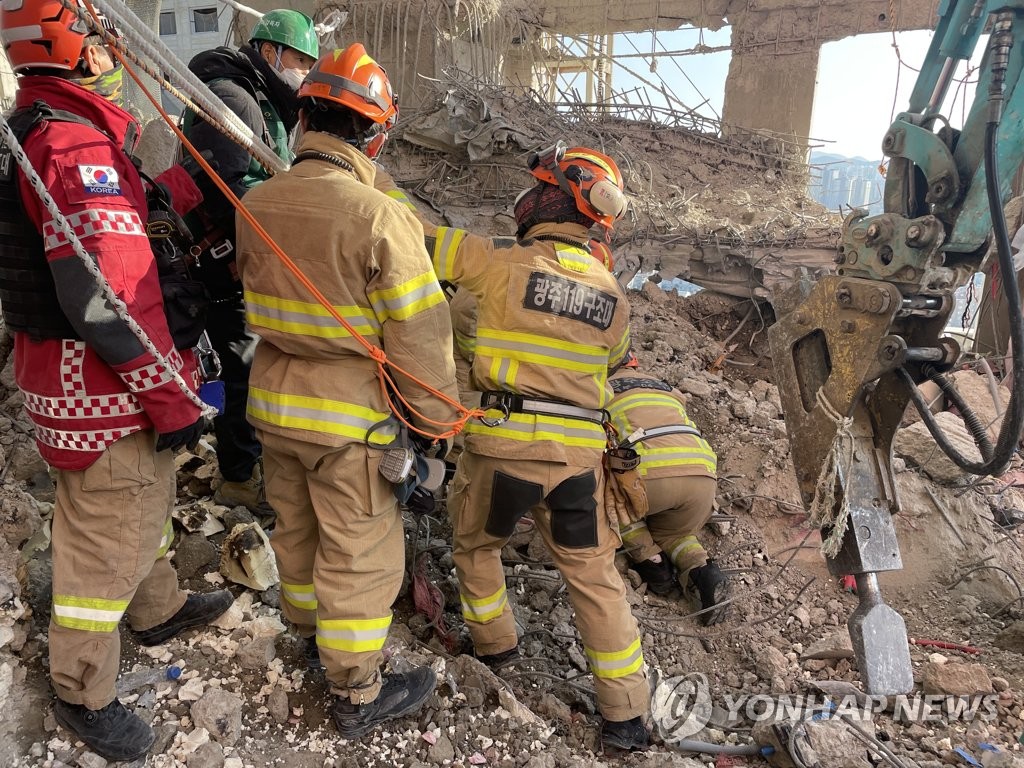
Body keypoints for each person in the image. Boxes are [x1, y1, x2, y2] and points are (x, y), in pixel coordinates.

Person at [0, 2, 233, 761]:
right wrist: (173, 399)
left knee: (140, 508)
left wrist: (175, 181)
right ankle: (82, 689)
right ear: (75, 46)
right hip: (105, 385)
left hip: (69, 373)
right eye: (99, 41)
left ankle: (157, 607)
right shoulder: (74, 147)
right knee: (109, 534)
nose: (110, 54)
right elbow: (112, 296)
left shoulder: (46, 128)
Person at [381, 143, 652, 750]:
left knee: (476, 547)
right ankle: (626, 713)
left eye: (540, 186)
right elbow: (610, 365)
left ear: (558, 197)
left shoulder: (497, 260)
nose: (527, 196)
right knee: (594, 576)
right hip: (579, 463)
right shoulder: (614, 293)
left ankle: (496, 650)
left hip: (502, 448)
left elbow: (414, 237)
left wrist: (376, 179)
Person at [234, 44, 460, 739]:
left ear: (305, 116)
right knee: (360, 550)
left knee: (296, 528)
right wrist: (437, 427)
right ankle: (357, 688)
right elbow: (420, 339)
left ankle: (307, 633)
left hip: (273, 402)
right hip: (349, 420)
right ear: (375, 133)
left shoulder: (256, 201)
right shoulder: (379, 216)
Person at [181, 9, 319, 514]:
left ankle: (247, 461)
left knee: (248, 365)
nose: (302, 70)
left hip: (242, 255)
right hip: (225, 261)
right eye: (298, 60)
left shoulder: (263, 102)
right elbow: (225, 191)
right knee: (242, 368)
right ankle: (238, 479)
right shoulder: (233, 97)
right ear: (269, 53)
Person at [607, 356, 729, 622]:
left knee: (612, 500)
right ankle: (700, 569)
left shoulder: (597, 385)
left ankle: (653, 564)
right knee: (674, 534)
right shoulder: (661, 386)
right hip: (702, 479)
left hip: (649, 477)